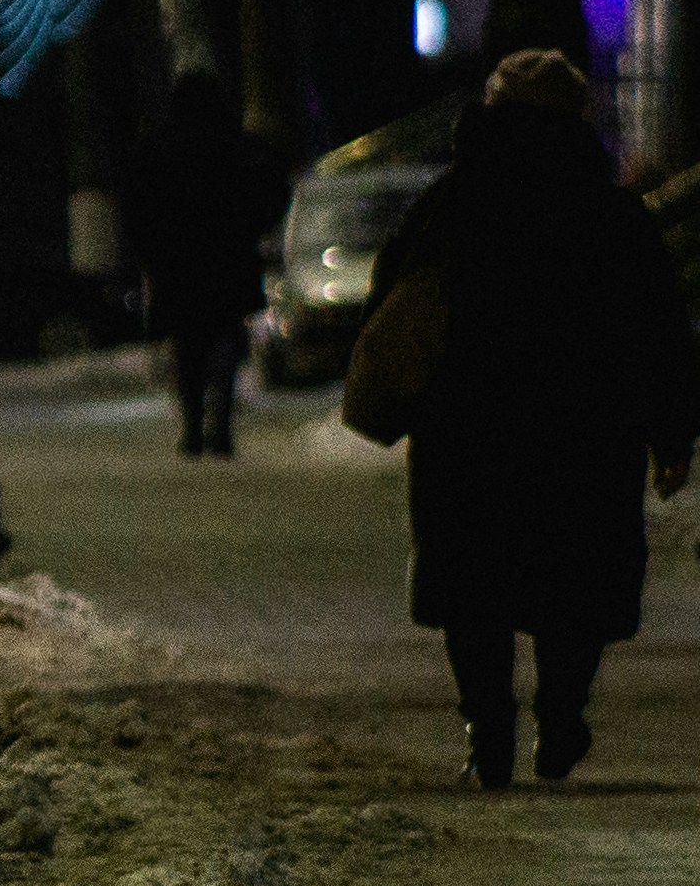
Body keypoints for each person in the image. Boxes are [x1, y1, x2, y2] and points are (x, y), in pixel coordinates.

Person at [373, 49, 700, 787]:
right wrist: (671, 431)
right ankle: (559, 716)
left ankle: (486, 727)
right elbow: (657, 324)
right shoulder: (606, 212)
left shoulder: (450, 204)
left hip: (467, 431)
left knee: (473, 585)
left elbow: (394, 302)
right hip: (583, 433)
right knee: (573, 584)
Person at [124, 69, 294, 456]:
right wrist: (251, 228)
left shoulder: (161, 148)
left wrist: (149, 252)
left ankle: (193, 424)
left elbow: (136, 207)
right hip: (227, 261)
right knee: (225, 344)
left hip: (178, 267)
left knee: (188, 348)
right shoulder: (237, 146)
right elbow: (272, 191)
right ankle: (220, 422)